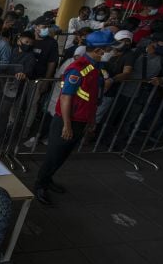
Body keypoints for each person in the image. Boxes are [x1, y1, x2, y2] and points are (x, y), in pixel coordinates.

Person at [35, 30, 113, 205]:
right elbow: (66, 97)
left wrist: (91, 119)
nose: (110, 52)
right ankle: (39, 185)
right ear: (100, 50)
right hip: (67, 121)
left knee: (63, 155)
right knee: (53, 156)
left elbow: (92, 98)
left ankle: (48, 180)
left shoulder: (95, 69)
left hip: (81, 120)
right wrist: (67, 125)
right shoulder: (78, 70)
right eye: (109, 49)